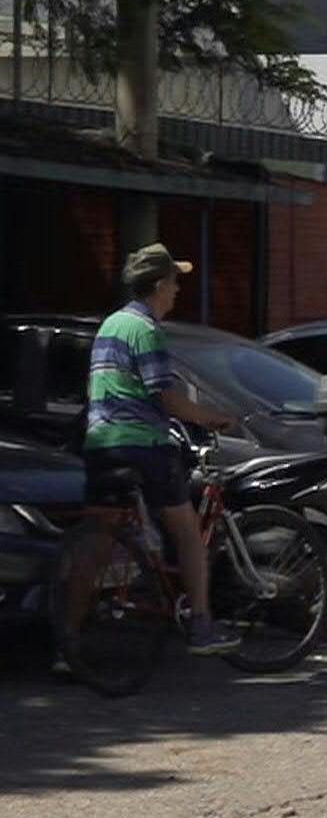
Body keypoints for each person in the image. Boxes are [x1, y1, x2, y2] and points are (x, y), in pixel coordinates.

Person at [67, 243, 241, 655]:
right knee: (187, 533)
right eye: (175, 284)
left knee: (96, 541)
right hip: (143, 445)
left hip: (102, 445)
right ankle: (201, 625)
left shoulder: (110, 325)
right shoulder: (146, 331)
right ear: (160, 285)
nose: (178, 291)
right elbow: (165, 397)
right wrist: (211, 416)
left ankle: (67, 642)